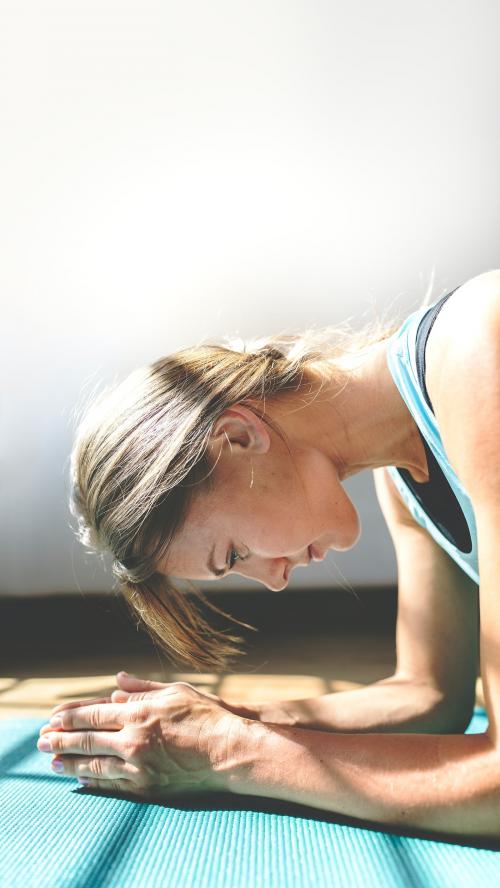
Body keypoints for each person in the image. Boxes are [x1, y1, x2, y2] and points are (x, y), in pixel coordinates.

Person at [38, 269, 500, 840]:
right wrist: (211, 723)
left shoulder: (481, 348)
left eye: (233, 554)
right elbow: (429, 695)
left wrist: (236, 751)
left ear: (236, 437)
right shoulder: (405, 478)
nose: (276, 581)